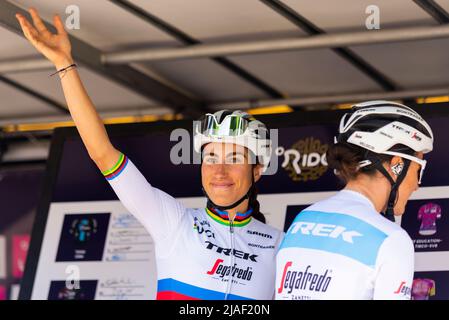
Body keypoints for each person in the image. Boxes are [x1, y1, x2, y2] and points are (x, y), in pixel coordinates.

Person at [16, 8, 283, 300]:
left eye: (234, 159)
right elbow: (102, 154)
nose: (219, 171)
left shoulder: (279, 245)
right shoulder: (174, 222)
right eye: (210, 158)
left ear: (257, 170)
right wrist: (65, 65)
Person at [276, 100, 434, 300]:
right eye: (418, 169)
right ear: (397, 165)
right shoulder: (390, 238)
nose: (417, 185)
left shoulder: (302, 220)